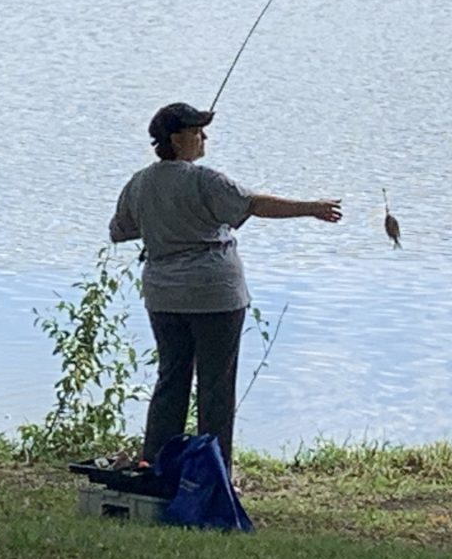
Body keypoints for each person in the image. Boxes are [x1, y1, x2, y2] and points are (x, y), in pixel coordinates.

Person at [109, 101, 342, 475]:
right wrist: (311, 207)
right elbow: (253, 204)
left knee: (171, 378)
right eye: (198, 131)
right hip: (215, 295)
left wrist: (164, 224)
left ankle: (154, 464)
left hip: (163, 295)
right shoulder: (205, 181)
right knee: (216, 387)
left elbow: (120, 230)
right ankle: (213, 472)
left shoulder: (140, 182)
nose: (204, 138)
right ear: (177, 139)